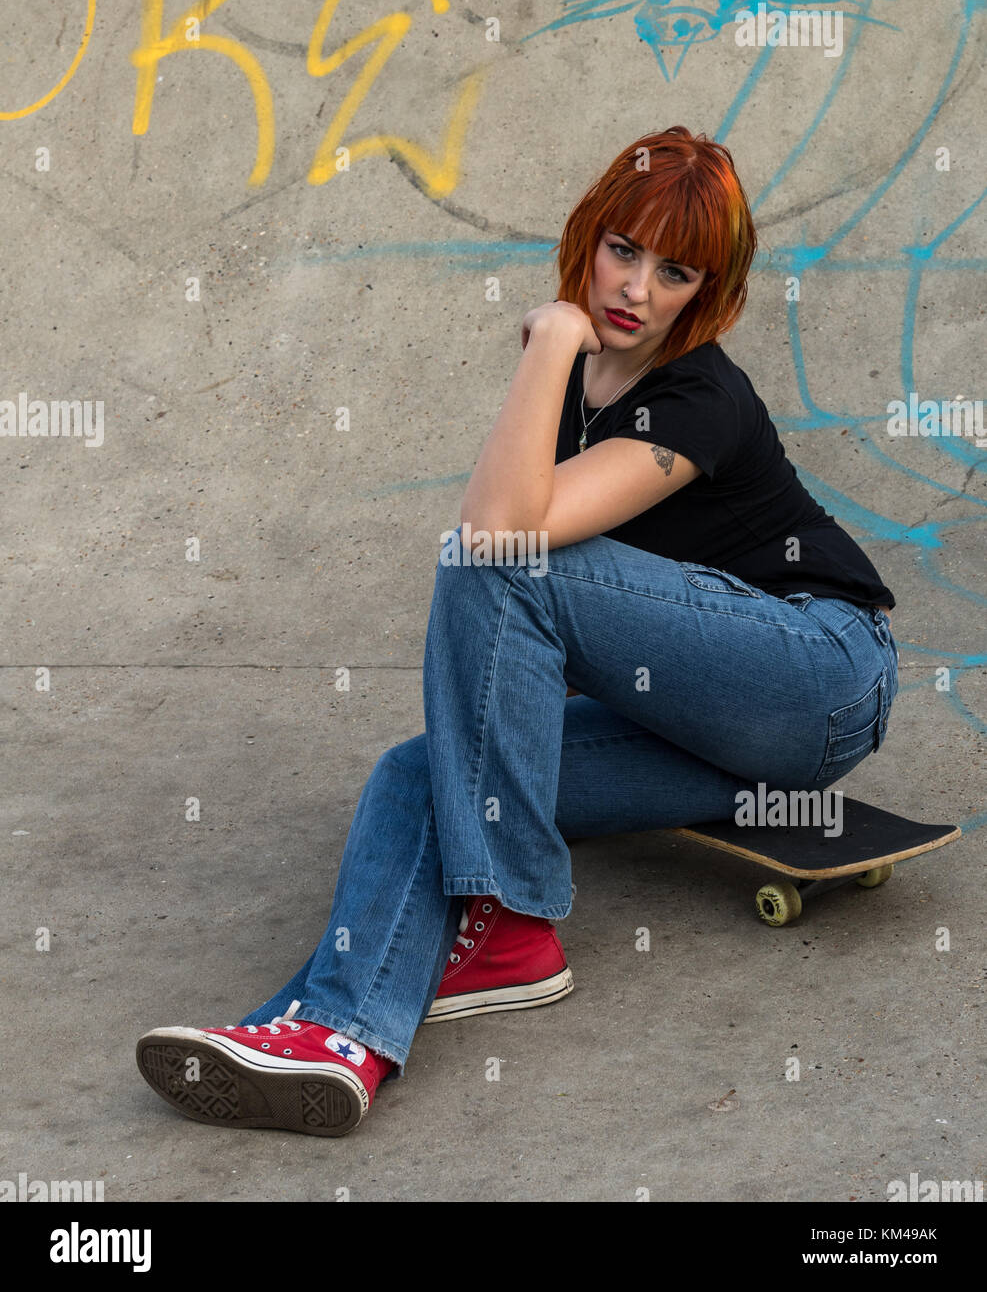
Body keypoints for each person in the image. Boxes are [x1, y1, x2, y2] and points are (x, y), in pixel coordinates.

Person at [136, 126, 899, 1137]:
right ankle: (335, 1035)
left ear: (703, 294)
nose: (633, 287)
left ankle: (516, 925)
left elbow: (496, 536)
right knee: (421, 773)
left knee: (497, 559)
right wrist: (563, 362)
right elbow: (515, 533)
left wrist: (547, 337)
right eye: (621, 250)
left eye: (672, 271)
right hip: (703, 723)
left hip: (818, 676)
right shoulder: (589, 384)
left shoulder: (702, 396)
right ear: (589, 238)